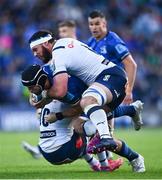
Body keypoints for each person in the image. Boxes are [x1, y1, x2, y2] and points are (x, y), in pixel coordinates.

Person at [21, 64, 145, 173]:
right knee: (92, 127)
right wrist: (58, 115)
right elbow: (82, 108)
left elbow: (36, 100)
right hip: (64, 150)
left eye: (32, 88)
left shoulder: (52, 82)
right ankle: (120, 161)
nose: (31, 91)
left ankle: (97, 163)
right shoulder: (67, 88)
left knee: (87, 119)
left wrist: (48, 109)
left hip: (47, 152)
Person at [87, 10, 137, 105]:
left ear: (104, 24)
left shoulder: (112, 40)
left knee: (91, 108)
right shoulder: (90, 42)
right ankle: (131, 110)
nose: (94, 27)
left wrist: (129, 91)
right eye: (91, 24)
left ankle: (130, 110)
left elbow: (131, 64)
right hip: (99, 82)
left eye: (97, 24)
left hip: (114, 83)